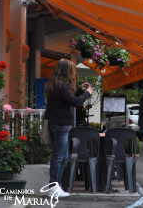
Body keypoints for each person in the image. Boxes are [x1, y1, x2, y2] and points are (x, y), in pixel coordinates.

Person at [44, 58, 94, 197]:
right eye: (72, 70)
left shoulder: (56, 84)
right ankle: (54, 186)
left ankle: (57, 186)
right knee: (59, 156)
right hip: (61, 124)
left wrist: (79, 90)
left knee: (63, 156)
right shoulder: (61, 85)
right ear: (66, 71)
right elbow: (75, 102)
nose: (73, 73)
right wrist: (87, 93)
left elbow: (68, 99)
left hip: (58, 123)